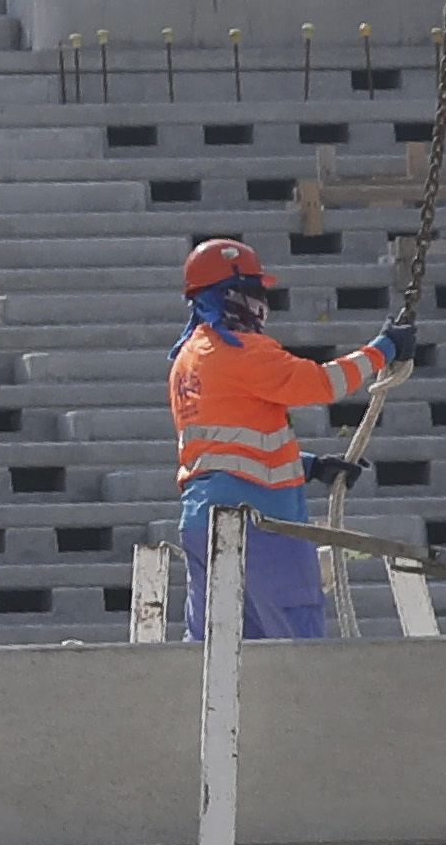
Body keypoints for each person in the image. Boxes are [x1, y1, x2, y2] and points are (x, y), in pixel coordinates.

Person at [164, 236, 416, 642]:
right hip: (262, 523)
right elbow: (320, 384)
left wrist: (311, 465)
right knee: (298, 645)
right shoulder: (240, 351)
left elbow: (228, 449)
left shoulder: (187, 360)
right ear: (230, 295)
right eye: (254, 291)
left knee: (219, 648)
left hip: (202, 520)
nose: (262, 301)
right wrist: (384, 349)